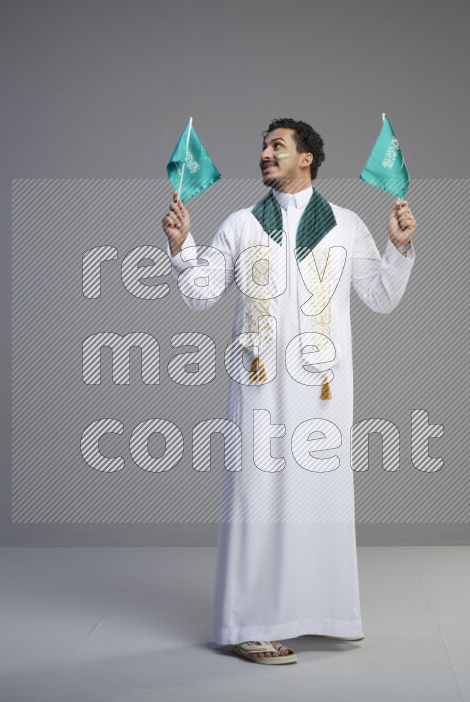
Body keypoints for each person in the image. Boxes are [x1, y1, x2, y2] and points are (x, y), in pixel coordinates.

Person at [161, 118, 417, 665]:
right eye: (263, 145)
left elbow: (381, 296)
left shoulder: (346, 226)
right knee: (257, 501)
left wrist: (398, 248)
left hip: (323, 392)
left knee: (319, 500)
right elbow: (201, 294)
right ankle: (249, 624)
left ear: (307, 159)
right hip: (256, 391)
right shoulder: (240, 225)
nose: (264, 154)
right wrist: (183, 247)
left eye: (277, 146)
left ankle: (321, 612)